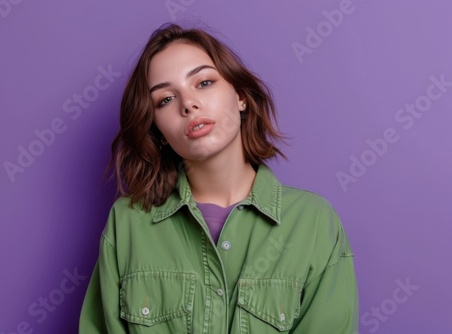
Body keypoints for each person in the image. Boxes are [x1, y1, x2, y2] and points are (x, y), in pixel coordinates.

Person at [79, 22, 358, 334]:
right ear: (157, 131)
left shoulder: (314, 223)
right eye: (166, 99)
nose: (188, 104)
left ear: (240, 97)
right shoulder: (127, 223)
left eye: (204, 83)